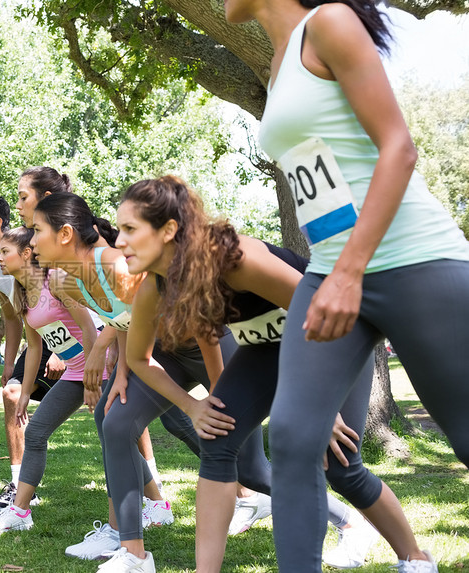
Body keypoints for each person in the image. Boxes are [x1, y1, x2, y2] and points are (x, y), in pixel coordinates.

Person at [225, 0, 469, 570]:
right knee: (290, 437)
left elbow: (399, 148)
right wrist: (337, 270)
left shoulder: (329, 23)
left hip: (415, 258)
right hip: (329, 269)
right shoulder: (278, 60)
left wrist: (350, 271)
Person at [118, 176, 427, 572]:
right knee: (217, 440)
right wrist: (192, 406)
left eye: (130, 229)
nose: (120, 241)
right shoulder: (156, 287)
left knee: (343, 467)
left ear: (168, 230)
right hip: (266, 349)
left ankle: (415, 559)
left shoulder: (234, 258)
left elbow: (321, 310)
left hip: (333, 333)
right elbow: (140, 359)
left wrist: (321, 403)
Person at [30, 193, 196, 573]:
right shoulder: (74, 278)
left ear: (66, 233)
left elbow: (148, 320)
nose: (33, 240)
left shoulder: (111, 265)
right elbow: (122, 322)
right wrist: (119, 374)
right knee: (115, 422)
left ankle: (336, 515)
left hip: (195, 346)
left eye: (37, 231)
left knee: (247, 462)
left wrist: (204, 397)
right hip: (160, 354)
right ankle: (133, 552)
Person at [0, 226, 107, 536]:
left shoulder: (56, 284)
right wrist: (23, 395)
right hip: (76, 374)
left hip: (98, 368)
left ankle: (156, 504)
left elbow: (90, 329)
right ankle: (20, 512)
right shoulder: (22, 293)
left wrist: (93, 379)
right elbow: (34, 348)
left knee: (115, 438)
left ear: (25, 254)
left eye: (4, 252)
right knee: (35, 433)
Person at [0, 196, 66, 511]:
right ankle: (22, 486)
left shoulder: (31, 246)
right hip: (38, 334)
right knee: (11, 393)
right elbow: (12, 316)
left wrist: (63, 350)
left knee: (118, 408)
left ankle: (152, 487)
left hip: (71, 330)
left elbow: (64, 293)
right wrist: (9, 363)